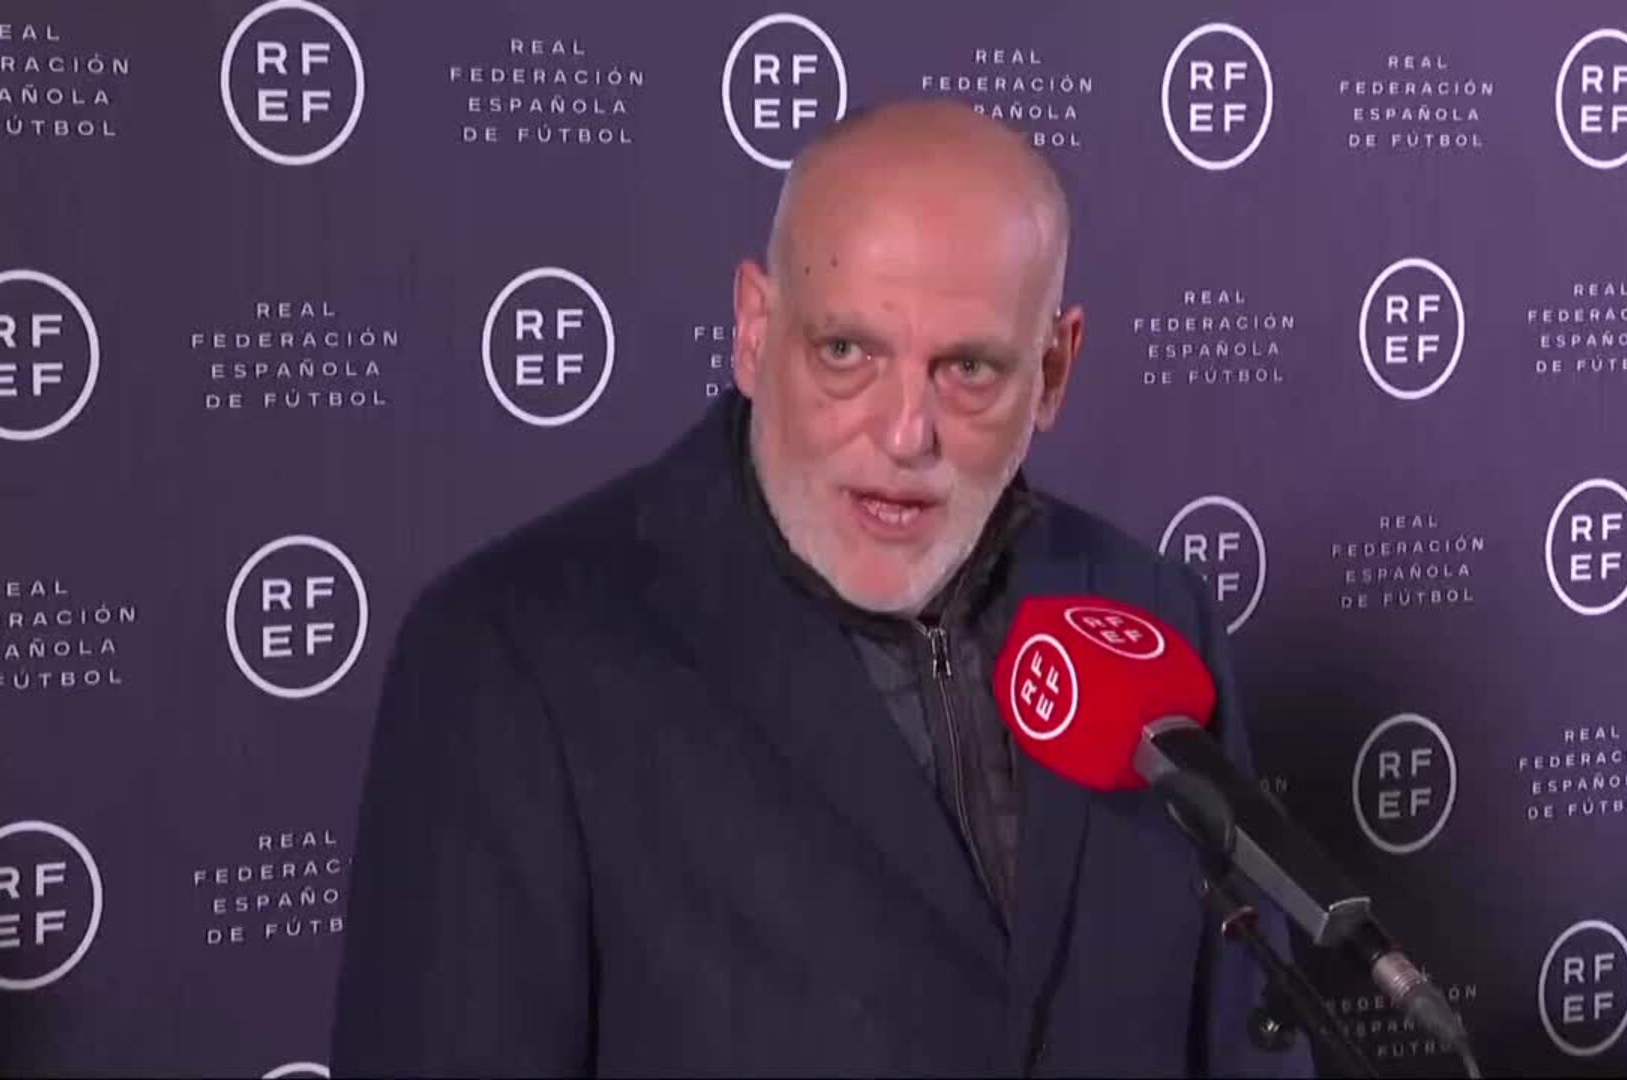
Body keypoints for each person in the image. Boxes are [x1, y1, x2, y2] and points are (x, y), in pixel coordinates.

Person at [332, 100, 1312, 1078]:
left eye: (968, 368)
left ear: (1052, 369)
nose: (905, 434)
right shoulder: (511, 655)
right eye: (847, 352)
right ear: (755, 330)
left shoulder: (1153, 617)